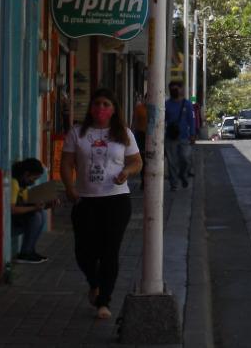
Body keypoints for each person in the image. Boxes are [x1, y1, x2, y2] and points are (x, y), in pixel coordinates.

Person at [60, 88, 142, 320]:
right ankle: (94, 283)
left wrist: (127, 171)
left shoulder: (123, 133)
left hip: (116, 200)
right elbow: (66, 163)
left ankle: (104, 301)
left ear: (114, 109)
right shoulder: (77, 133)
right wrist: (69, 187)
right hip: (85, 200)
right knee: (84, 252)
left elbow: (137, 161)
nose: (101, 108)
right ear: (91, 108)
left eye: (106, 104)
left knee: (110, 252)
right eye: (97, 104)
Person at [9, 158, 52, 264]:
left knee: (40, 214)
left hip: (16, 220)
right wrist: (34, 208)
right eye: (33, 178)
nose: (33, 182)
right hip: (10, 223)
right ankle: (25, 253)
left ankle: (30, 250)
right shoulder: (14, 183)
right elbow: (12, 209)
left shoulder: (22, 185)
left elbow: (28, 202)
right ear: (26, 174)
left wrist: (46, 204)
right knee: (36, 216)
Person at [165, 82, 196, 190]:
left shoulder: (187, 104)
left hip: (184, 137)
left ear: (180, 90)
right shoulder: (166, 104)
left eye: (176, 89)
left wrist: (192, 134)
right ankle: (174, 183)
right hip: (171, 137)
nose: (174, 91)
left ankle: (183, 174)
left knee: (185, 158)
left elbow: (192, 120)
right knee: (172, 161)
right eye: (172, 89)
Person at [130, 92, 149, 188]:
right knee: (142, 157)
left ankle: (148, 179)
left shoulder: (155, 108)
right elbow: (134, 121)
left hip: (151, 136)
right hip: (140, 134)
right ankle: (143, 180)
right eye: (147, 98)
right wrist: (132, 134)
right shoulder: (139, 108)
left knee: (149, 158)